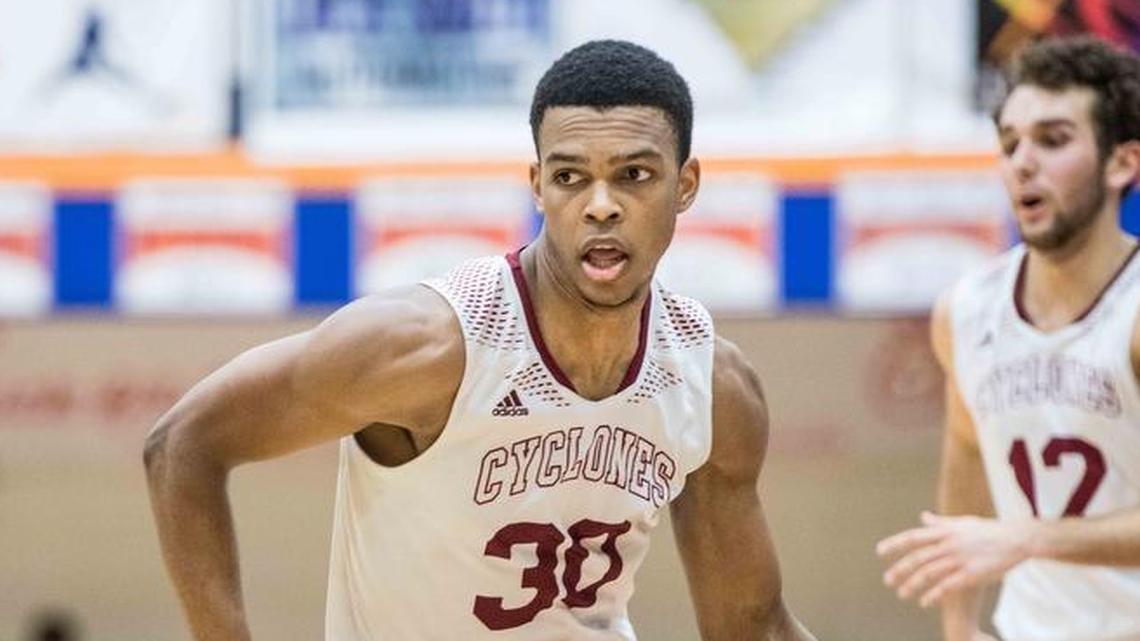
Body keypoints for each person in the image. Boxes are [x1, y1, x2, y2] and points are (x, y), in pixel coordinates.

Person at [144, 39, 816, 641]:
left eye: (634, 175)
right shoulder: (428, 346)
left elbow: (752, 625)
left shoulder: (711, 384)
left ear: (686, 185)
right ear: (538, 187)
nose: (601, 204)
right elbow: (182, 445)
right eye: (570, 176)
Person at [876, 36, 1140, 641]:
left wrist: (1025, 537)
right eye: (1009, 143)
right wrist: (959, 623)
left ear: (1121, 163)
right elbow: (966, 457)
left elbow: (1006, 535)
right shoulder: (966, 310)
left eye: (1052, 140)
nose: (1022, 162)